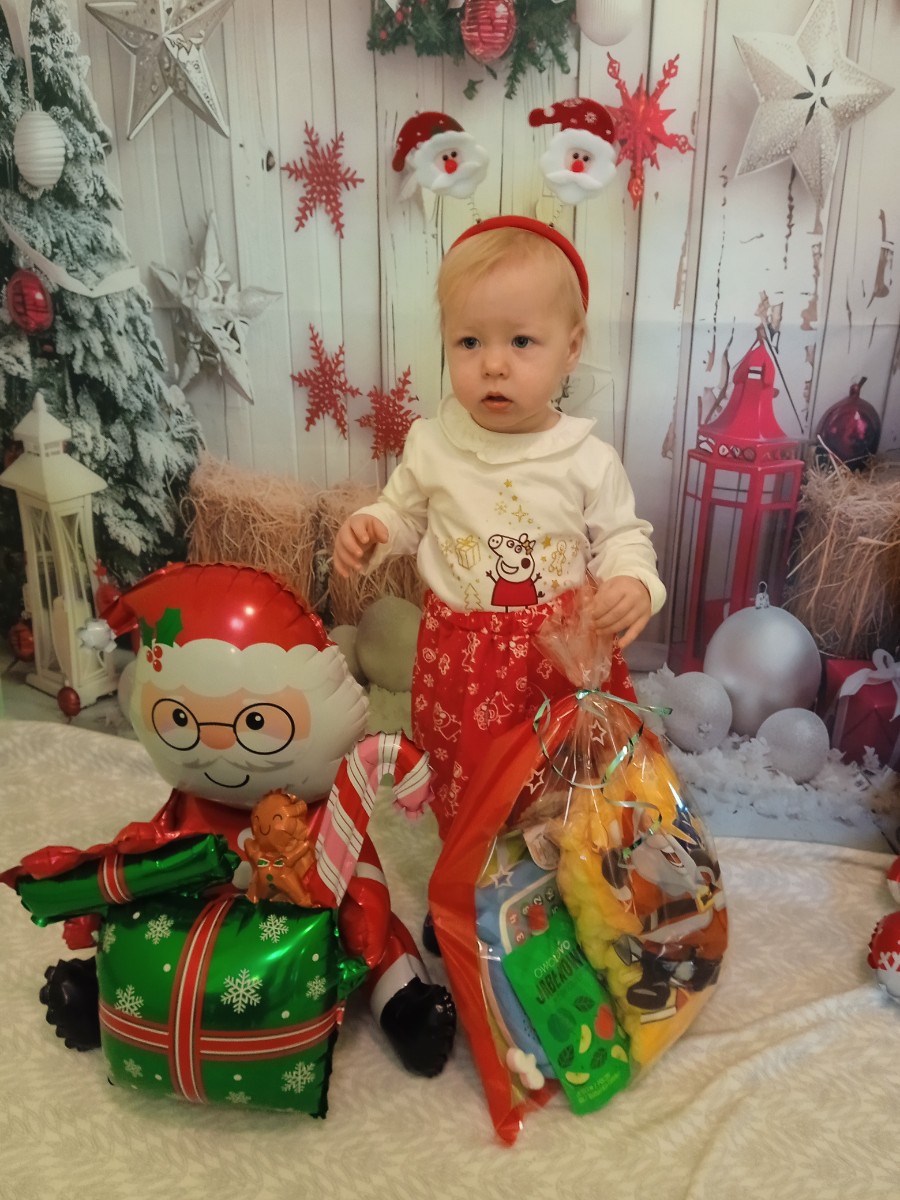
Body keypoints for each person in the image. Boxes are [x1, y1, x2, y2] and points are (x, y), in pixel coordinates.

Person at [334, 215, 666, 839]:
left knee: (559, 772)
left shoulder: (586, 458)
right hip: (458, 655)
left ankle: (560, 855)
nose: (492, 364)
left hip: (553, 655)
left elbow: (622, 536)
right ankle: (470, 858)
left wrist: (633, 581)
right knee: (465, 766)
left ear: (571, 347)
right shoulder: (434, 443)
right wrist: (375, 525)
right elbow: (403, 511)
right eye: (469, 342)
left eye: (521, 342)